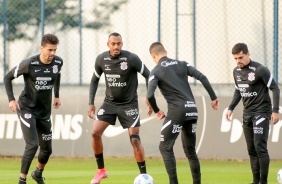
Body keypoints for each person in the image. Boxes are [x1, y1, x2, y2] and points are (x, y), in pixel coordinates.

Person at [146, 42, 219, 184]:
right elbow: (202, 77)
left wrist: (157, 111)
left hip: (177, 111)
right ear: (165, 51)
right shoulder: (182, 64)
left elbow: (149, 96)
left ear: (153, 56)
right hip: (192, 109)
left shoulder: (156, 71)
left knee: (165, 147)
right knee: (191, 151)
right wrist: (213, 97)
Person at [87, 32, 151, 184]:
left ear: (122, 44)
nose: (116, 46)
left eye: (119, 43)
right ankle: (101, 170)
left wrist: (149, 97)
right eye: (113, 44)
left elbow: (149, 75)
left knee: (135, 140)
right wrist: (91, 102)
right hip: (109, 104)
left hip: (129, 105)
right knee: (95, 132)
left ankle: (144, 176)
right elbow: (94, 80)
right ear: (108, 44)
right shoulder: (102, 59)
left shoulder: (131, 58)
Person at [4, 34, 63, 184]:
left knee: (47, 150)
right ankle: (22, 180)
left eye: (55, 50)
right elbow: (7, 77)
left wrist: (56, 95)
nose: (52, 54)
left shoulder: (58, 62)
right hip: (27, 108)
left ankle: (37, 173)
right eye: (50, 50)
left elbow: (57, 75)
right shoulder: (29, 64)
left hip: (44, 112)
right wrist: (11, 99)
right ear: (41, 48)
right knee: (32, 144)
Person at [225, 43, 280, 184]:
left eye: (241, 57)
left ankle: (263, 181)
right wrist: (230, 107)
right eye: (235, 58)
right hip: (247, 113)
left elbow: (275, 88)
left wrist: (275, 111)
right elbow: (238, 90)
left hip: (262, 111)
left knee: (259, 147)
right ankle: (255, 181)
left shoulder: (260, 70)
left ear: (248, 54)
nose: (238, 61)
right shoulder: (236, 71)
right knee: (251, 149)